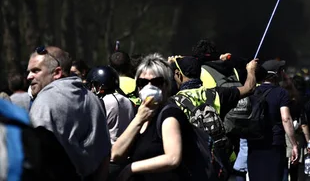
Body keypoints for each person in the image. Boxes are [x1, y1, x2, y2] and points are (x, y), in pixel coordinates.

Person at [111, 53, 201, 180]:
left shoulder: (169, 115)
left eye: (156, 82)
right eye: (143, 82)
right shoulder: (139, 115)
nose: (149, 87)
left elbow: (173, 158)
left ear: (166, 85)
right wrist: (139, 119)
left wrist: (131, 168)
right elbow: (115, 154)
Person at [27, 46, 111, 180]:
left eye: (35, 71)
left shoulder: (44, 102)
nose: (29, 77)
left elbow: (33, 157)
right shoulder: (92, 98)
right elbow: (105, 155)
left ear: (57, 72)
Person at [247, 59, 299, 181]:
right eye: (281, 70)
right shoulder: (281, 93)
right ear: (276, 74)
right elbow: (285, 118)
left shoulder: (252, 91)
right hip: (275, 143)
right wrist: (294, 144)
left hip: (254, 142)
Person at [87, 66, 135, 144]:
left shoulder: (103, 102)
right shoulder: (127, 100)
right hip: (128, 145)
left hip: (109, 148)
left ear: (98, 86)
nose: (91, 89)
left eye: (93, 85)